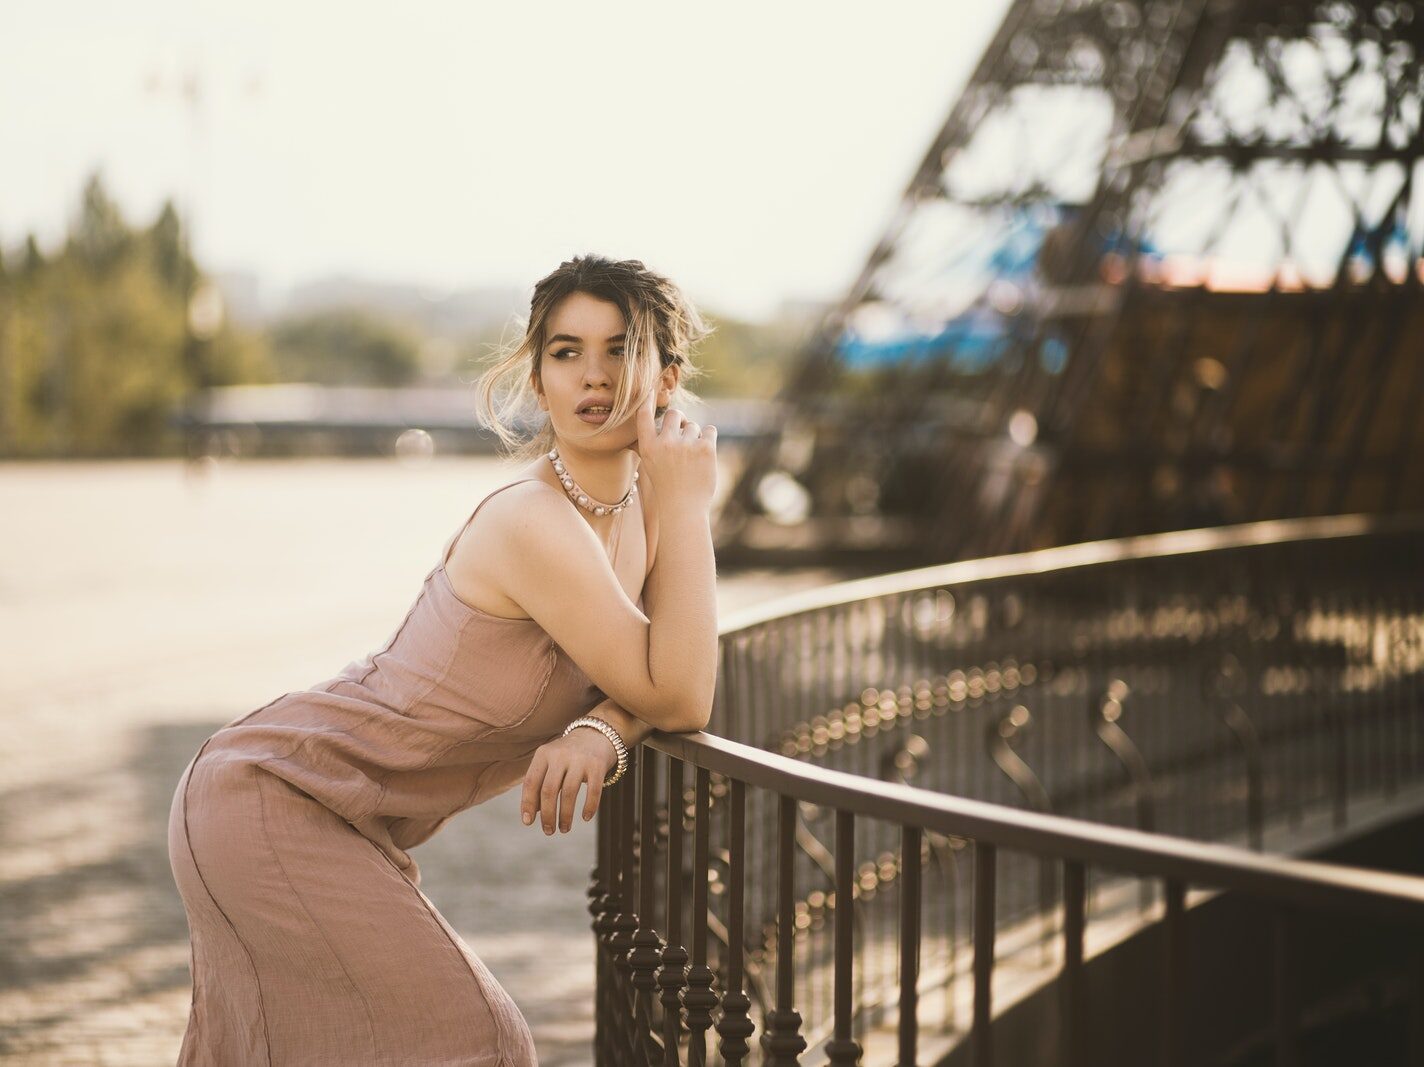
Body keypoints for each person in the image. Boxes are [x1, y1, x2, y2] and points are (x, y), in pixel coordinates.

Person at [166, 254, 721, 1065]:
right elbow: (681, 693)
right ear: (538, 381)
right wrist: (694, 509)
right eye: (566, 351)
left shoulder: (644, 505)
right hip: (271, 796)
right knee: (483, 1040)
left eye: (620, 349)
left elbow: (673, 673)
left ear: (667, 378)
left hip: (347, 820)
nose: (592, 375)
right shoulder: (533, 521)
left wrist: (601, 727)